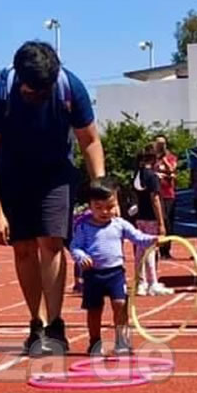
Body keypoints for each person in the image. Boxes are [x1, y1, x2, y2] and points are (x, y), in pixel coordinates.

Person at [0, 41, 105, 354]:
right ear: (19, 79)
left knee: (51, 242)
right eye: (31, 91)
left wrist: (99, 186)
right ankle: (36, 322)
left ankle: (55, 324)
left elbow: (89, 140)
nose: (37, 97)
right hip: (13, 175)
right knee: (22, 248)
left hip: (56, 174)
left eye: (43, 92)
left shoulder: (70, 88)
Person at [69, 180, 156, 356]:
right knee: (94, 310)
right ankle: (94, 342)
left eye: (109, 206)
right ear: (90, 206)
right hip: (93, 275)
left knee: (121, 304)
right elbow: (75, 246)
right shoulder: (83, 226)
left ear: (117, 204)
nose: (104, 211)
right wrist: (81, 256)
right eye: (99, 207)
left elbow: (137, 237)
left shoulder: (119, 224)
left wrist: (153, 239)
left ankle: (121, 340)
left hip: (115, 273)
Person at [131, 147, 172, 296]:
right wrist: (161, 221)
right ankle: (152, 282)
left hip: (140, 216)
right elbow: (155, 199)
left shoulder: (137, 174)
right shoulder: (152, 177)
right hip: (151, 217)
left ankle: (141, 282)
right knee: (150, 250)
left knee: (140, 250)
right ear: (154, 159)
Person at [153, 135, 178, 259]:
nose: (160, 146)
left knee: (168, 222)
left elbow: (172, 170)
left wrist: (164, 160)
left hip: (168, 194)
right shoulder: (152, 159)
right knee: (156, 221)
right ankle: (156, 249)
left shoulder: (170, 157)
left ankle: (166, 250)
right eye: (158, 143)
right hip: (156, 194)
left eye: (162, 144)